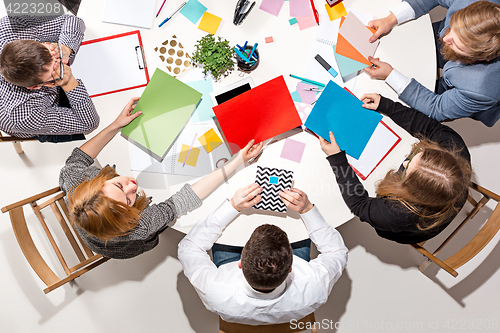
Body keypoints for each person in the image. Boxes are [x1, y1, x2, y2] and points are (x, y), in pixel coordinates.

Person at [59, 97, 263, 259]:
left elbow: (77, 158)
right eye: (129, 200)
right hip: (120, 246)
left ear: (97, 182)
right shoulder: (140, 227)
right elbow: (182, 201)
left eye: (119, 185)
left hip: (97, 221)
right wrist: (237, 161)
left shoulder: (74, 177)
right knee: (155, 230)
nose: (132, 185)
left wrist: (116, 125)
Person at [178, 184, 348, 325]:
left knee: (225, 234)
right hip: (290, 298)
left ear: (240, 262)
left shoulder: (215, 290)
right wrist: (307, 210)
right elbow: (337, 251)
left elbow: (189, 247)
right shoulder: (314, 285)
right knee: (300, 231)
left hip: (232, 299)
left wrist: (232, 207)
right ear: (290, 268)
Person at [319, 93, 472, 244]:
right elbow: (428, 127)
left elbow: (359, 204)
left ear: (414, 193)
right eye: (415, 156)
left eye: (407, 171)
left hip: (410, 230)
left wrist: (337, 159)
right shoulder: (455, 147)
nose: (404, 163)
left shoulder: (398, 213)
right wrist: (388, 106)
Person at [364, 0, 500, 127]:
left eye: (457, 44)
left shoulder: (482, 89)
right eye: (452, 28)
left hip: (467, 88)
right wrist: (391, 19)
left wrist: (390, 75)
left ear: (482, 59)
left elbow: (436, 108)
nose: (445, 38)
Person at [0, 15, 99, 142]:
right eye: (55, 72)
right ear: (34, 87)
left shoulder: (10, 27)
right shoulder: (23, 116)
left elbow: (73, 20)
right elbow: (89, 124)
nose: (63, 63)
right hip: (41, 117)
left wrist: (65, 49)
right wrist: (69, 82)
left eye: (51, 52)